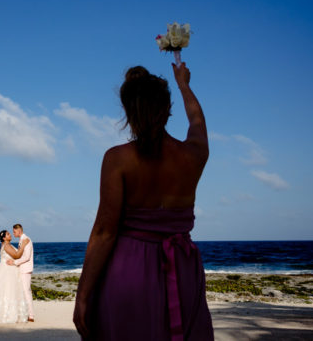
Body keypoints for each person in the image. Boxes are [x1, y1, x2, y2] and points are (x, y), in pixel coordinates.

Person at [74, 63, 213, 340]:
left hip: (129, 270)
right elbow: (197, 121)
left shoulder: (118, 159)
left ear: (128, 111)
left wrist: (83, 295)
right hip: (182, 270)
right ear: (168, 107)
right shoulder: (194, 155)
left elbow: (104, 232)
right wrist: (184, 84)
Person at [6, 223, 34, 322]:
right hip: (22, 269)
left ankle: (31, 316)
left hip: (25, 269)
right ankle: (26, 313)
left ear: (19, 231)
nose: (13, 233)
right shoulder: (22, 240)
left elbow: (26, 257)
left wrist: (14, 262)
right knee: (24, 291)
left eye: (14, 231)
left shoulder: (26, 240)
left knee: (27, 292)